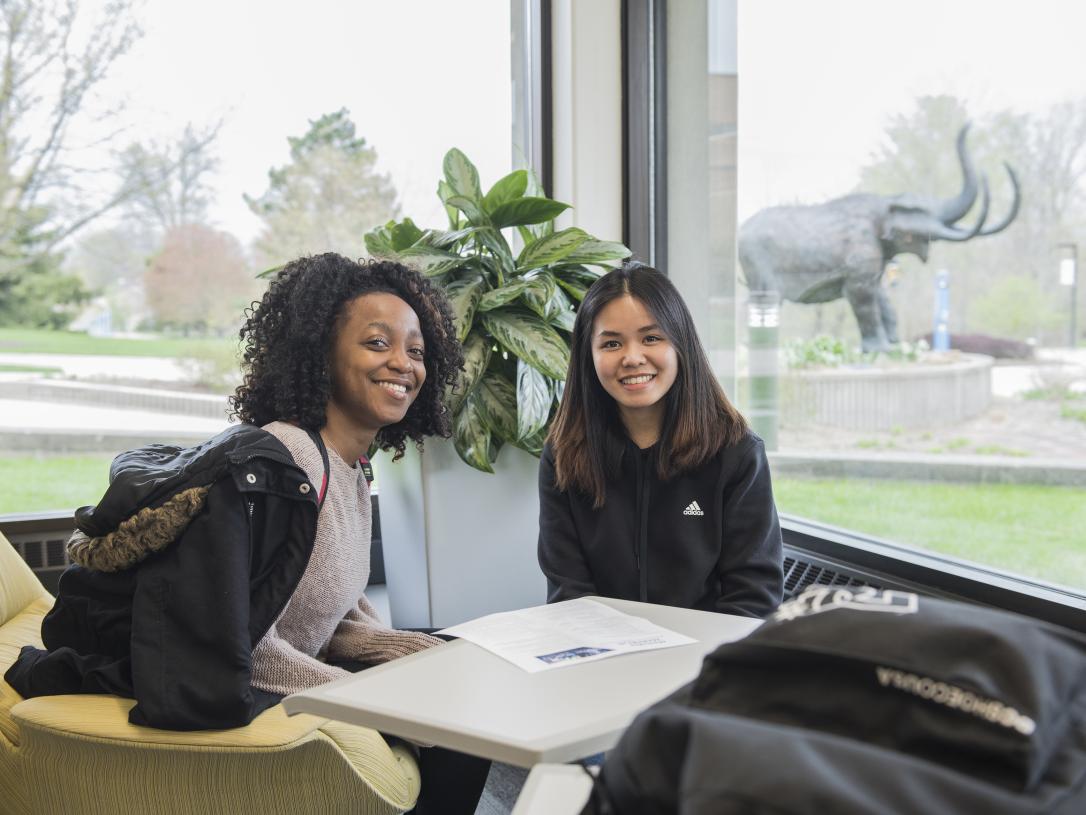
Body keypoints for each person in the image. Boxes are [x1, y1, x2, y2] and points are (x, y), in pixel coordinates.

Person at [8, 253, 488, 814]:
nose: (403, 364)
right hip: (202, 667)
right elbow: (239, 644)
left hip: (287, 655)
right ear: (321, 354)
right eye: (377, 343)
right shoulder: (278, 470)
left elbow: (334, 603)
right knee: (452, 718)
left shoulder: (351, 467)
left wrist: (415, 653)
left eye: (416, 351)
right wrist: (366, 697)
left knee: (461, 663)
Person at [538, 262, 784, 617]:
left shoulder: (737, 453)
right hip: (602, 660)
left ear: (680, 344)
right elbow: (568, 594)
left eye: (651, 338)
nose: (633, 358)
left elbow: (753, 599)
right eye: (611, 343)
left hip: (708, 661)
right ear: (588, 356)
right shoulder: (564, 454)